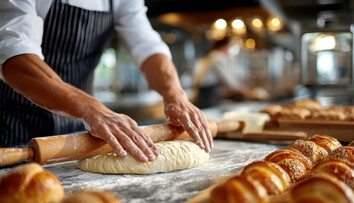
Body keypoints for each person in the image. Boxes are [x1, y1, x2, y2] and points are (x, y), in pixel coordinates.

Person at [0, 0, 213, 163]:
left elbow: (147, 46)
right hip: (12, 127)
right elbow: (15, 54)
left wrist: (175, 93)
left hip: (78, 133)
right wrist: (91, 108)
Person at [192, 36, 269, 109]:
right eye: (230, 46)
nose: (230, 49)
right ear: (223, 46)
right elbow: (229, 81)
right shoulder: (217, 57)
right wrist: (247, 92)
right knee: (207, 113)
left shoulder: (213, 55)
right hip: (208, 91)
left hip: (207, 89)